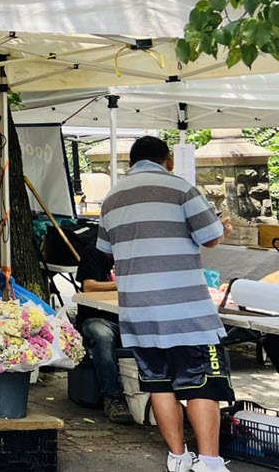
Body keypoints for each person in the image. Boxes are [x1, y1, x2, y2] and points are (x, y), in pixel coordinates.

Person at [97, 135, 234, 472]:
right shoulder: (180, 188)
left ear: (132, 162)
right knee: (203, 385)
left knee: (158, 384)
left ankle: (177, 456)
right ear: (168, 159)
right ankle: (210, 462)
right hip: (186, 311)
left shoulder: (112, 197)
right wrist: (223, 228)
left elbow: (105, 249)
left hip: (138, 312)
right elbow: (211, 237)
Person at [75, 245, 133, 424]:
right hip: (97, 318)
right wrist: (125, 283)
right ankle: (112, 397)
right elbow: (88, 286)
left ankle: (158, 394)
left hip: (131, 319)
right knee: (103, 336)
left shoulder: (138, 255)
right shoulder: (95, 253)